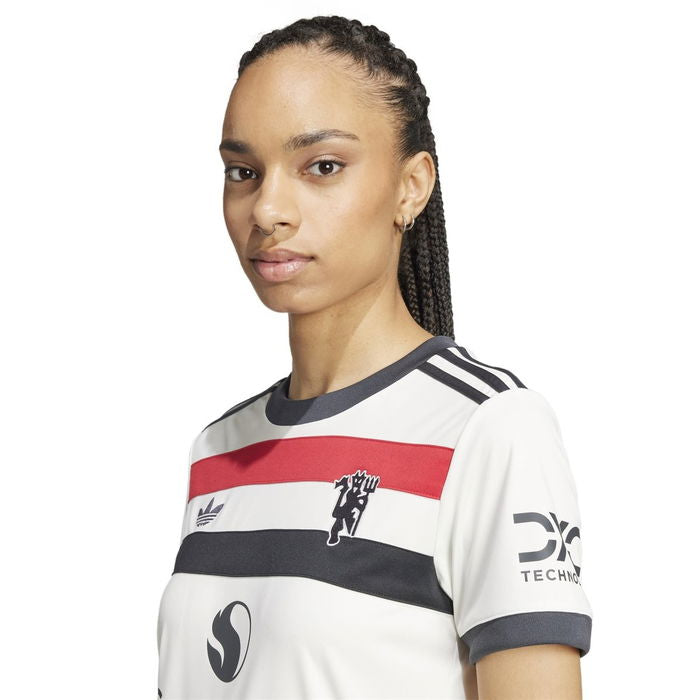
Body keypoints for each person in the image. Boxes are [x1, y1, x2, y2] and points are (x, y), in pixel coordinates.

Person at [156, 15, 593, 700]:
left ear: (411, 186)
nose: (267, 208)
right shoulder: (220, 449)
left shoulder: (489, 429)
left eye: (322, 166)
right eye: (243, 171)